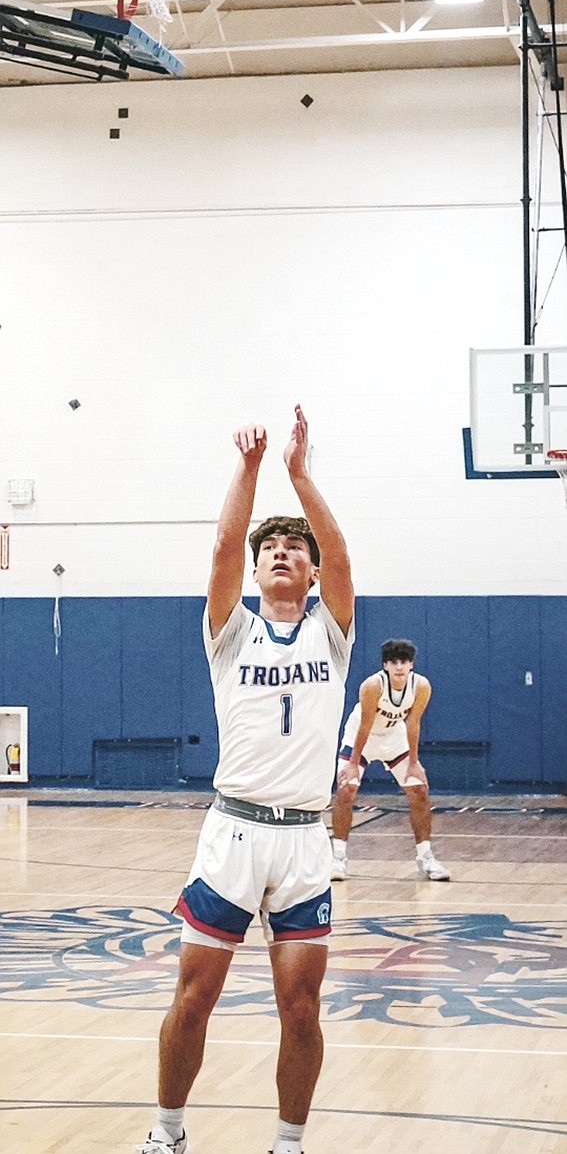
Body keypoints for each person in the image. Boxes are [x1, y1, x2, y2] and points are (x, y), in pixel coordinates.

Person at [138, 404, 354, 1154]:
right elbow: (228, 542)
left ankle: (288, 1143)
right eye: (275, 549)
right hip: (233, 832)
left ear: (312, 569)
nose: (284, 553)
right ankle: (167, 1134)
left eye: (297, 547)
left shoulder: (332, 631)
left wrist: (301, 475)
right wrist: (252, 467)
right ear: (258, 570)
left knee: (301, 1010)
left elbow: (342, 556)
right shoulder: (231, 632)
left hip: (302, 843)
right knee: (194, 998)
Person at [329, 639, 450, 882]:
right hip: (361, 736)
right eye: (393, 662)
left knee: (419, 792)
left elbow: (413, 723)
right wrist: (353, 764)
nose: (399, 667)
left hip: (393, 736)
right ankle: (338, 858)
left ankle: (426, 857)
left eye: (403, 662)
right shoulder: (373, 686)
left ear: (411, 665)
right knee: (346, 791)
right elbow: (365, 725)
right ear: (385, 665)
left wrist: (414, 763)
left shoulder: (421, 686)